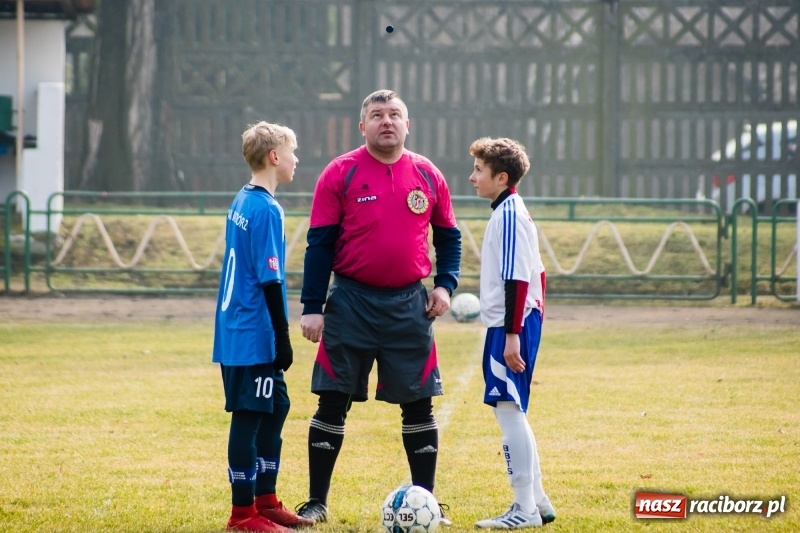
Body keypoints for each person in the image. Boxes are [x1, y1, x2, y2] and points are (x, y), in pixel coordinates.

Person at [295, 89, 462, 524]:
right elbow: (320, 244)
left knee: (420, 404)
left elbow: (449, 238)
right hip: (350, 302)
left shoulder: (427, 174)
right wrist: (313, 306)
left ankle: (427, 504)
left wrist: (444, 285)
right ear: (362, 125)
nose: (386, 121)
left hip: (411, 304)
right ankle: (317, 502)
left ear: (408, 124)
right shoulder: (341, 173)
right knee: (332, 401)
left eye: (394, 115)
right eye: (376, 115)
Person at [212, 121, 314, 532]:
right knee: (250, 415)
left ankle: (266, 500)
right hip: (252, 332)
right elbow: (269, 279)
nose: (296, 159)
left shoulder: (242, 199)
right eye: (292, 152)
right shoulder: (267, 208)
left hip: (239, 327)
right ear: (274, 157)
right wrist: (283, 337)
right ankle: (242, 515)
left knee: (278, 405)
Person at [467, 137, 556, 529]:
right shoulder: (510, 210)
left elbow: (519, 278)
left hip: (510, 324)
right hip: (516, 321)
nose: (472, 177)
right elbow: (539, 274)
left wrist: (513, 334)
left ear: (501, 177)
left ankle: (524, 510)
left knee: (508, 409)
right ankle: (538, 501)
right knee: (513, 409)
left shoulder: (507, 215)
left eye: (479, 171)